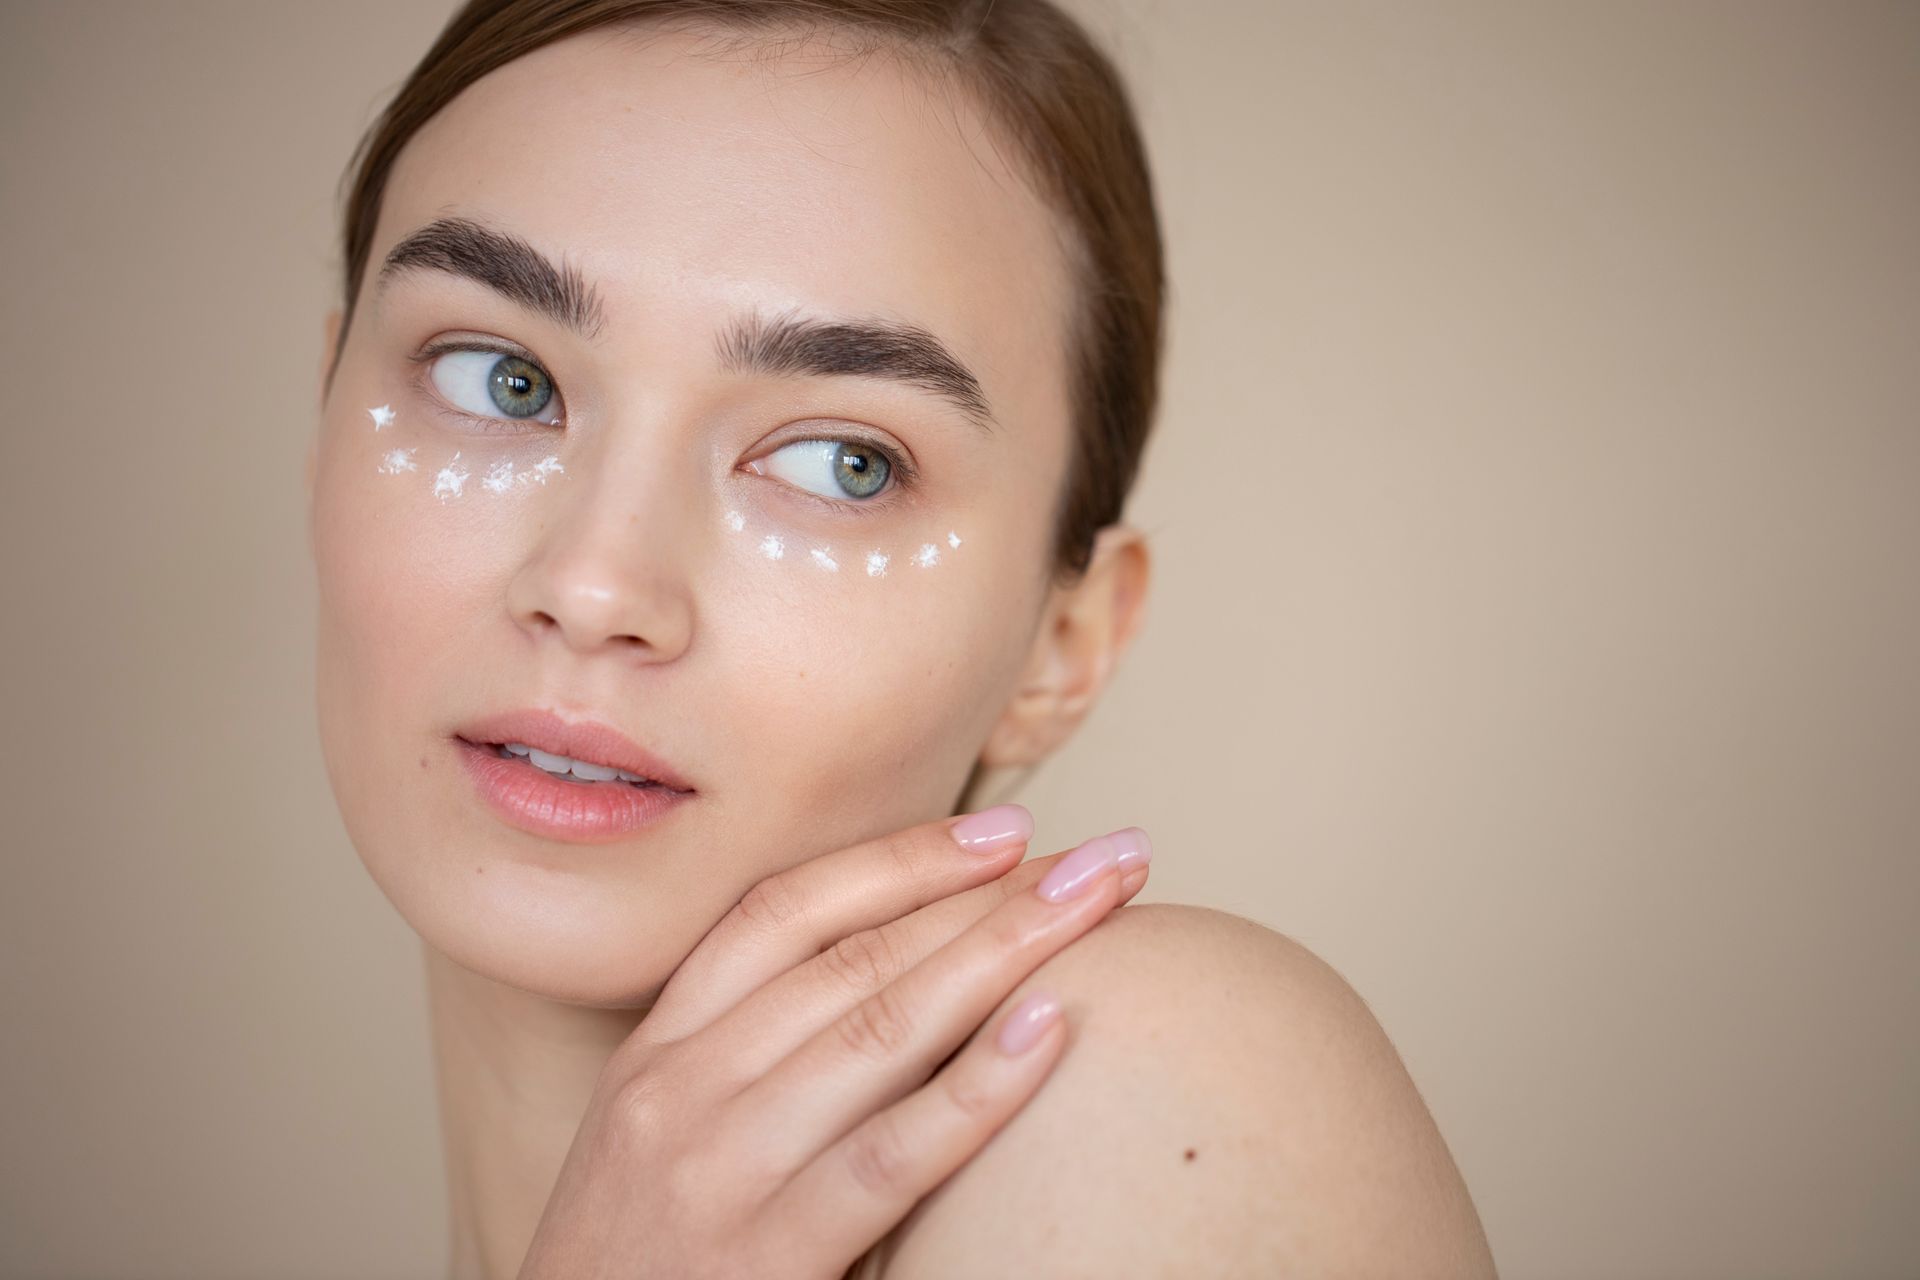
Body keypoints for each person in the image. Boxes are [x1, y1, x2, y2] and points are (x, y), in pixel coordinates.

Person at [303, 1, 1497, 1274]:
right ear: (319, 421)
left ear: (1065, 641)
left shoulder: (1145, 1080)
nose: (595, 586)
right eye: (502, 378)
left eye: (844, 463)